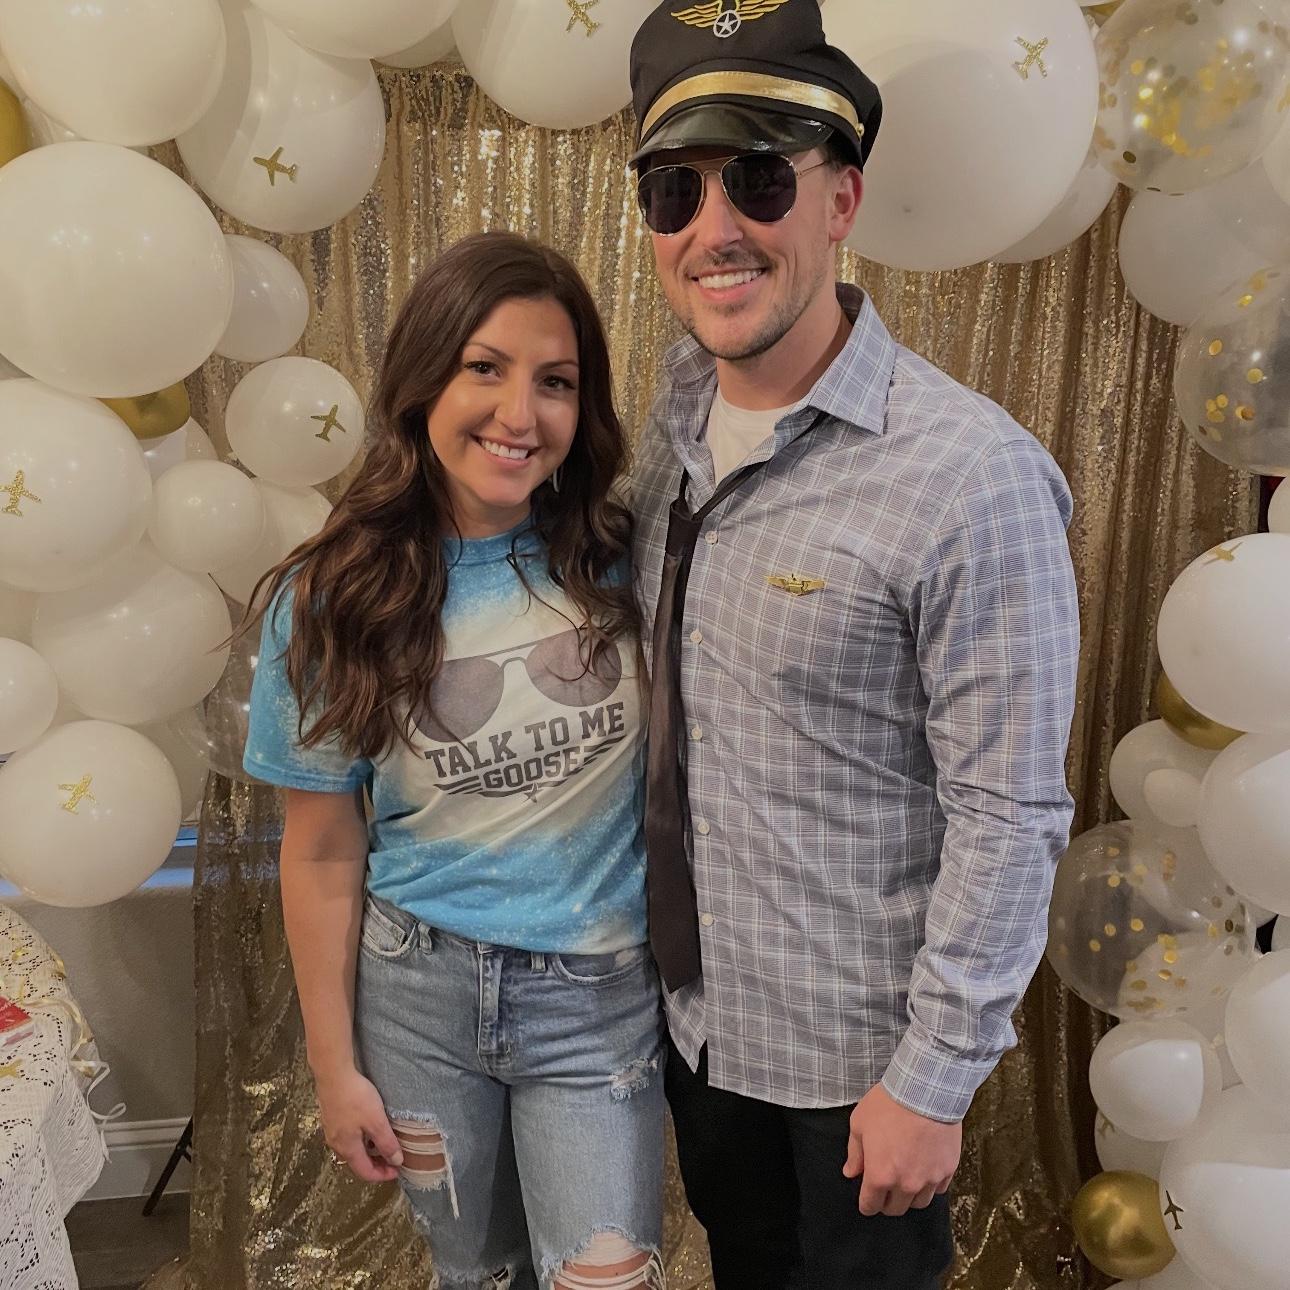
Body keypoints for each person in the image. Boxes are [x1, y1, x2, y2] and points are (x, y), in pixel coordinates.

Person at [627, 4, 1081, 1288]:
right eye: (675, 191)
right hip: (701, 1030)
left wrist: (934, 1078)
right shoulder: (666, 420)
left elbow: (1009, 809)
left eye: (759, 179)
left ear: (842, 201)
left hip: (857, 1073)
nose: (715, 228)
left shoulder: (972, 476)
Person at [243, 232, 666, 1290]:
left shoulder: (627, 558)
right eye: (485, 367)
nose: (520, 414)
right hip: (416, 996)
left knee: (604, 1277)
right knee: (477, 1276)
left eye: (555, 381)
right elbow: (322, 852)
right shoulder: (331, 597)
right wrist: (333, 1068)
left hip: (596, 997)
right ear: (424, 377)